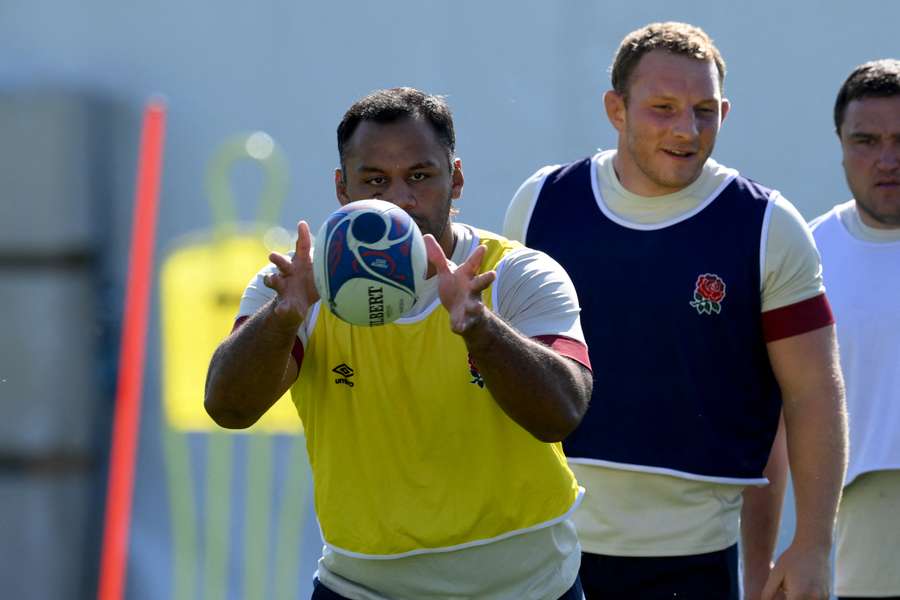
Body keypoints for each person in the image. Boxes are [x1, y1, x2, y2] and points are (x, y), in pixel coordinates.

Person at [205, 87, 594, 600]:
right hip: (363, 586)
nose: (400, 200)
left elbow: (563, 412)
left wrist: (479, 325)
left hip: (531, 585)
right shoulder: (298, 283)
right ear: (342, 188)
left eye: (419, 176)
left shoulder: (518, 273)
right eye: (374, 181)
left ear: (454, 179)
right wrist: (282, 318)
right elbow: (228, 408)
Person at [504, 22, 847, 600]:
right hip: (546, 550)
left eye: (704, 110)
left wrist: (812, 544)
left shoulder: (767, 225)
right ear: (617, 109)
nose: (687, 130)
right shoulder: (541, 202)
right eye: (663, 108)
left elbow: (814, 394)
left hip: (695, 562)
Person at [809, 58, 900, 600]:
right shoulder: (808, 257)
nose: (888, 160)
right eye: (866, 140)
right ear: (841, 143)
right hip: (856, 534)